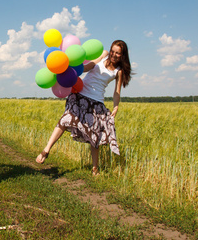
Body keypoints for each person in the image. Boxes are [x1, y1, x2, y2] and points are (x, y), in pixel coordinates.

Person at [36, 40, 132, 176]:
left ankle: (95, 169)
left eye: (118, 53)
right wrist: (71, 66)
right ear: (110, 50)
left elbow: (117, 92)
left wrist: (116, 106)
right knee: (64, 120)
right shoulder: (104, 54)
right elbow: (90, 66)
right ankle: (46, 150)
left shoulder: (119, 71)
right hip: (79, 95)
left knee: (95, 136)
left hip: (97, 102)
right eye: (113, 51)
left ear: (122, 55)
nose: (114, 55)